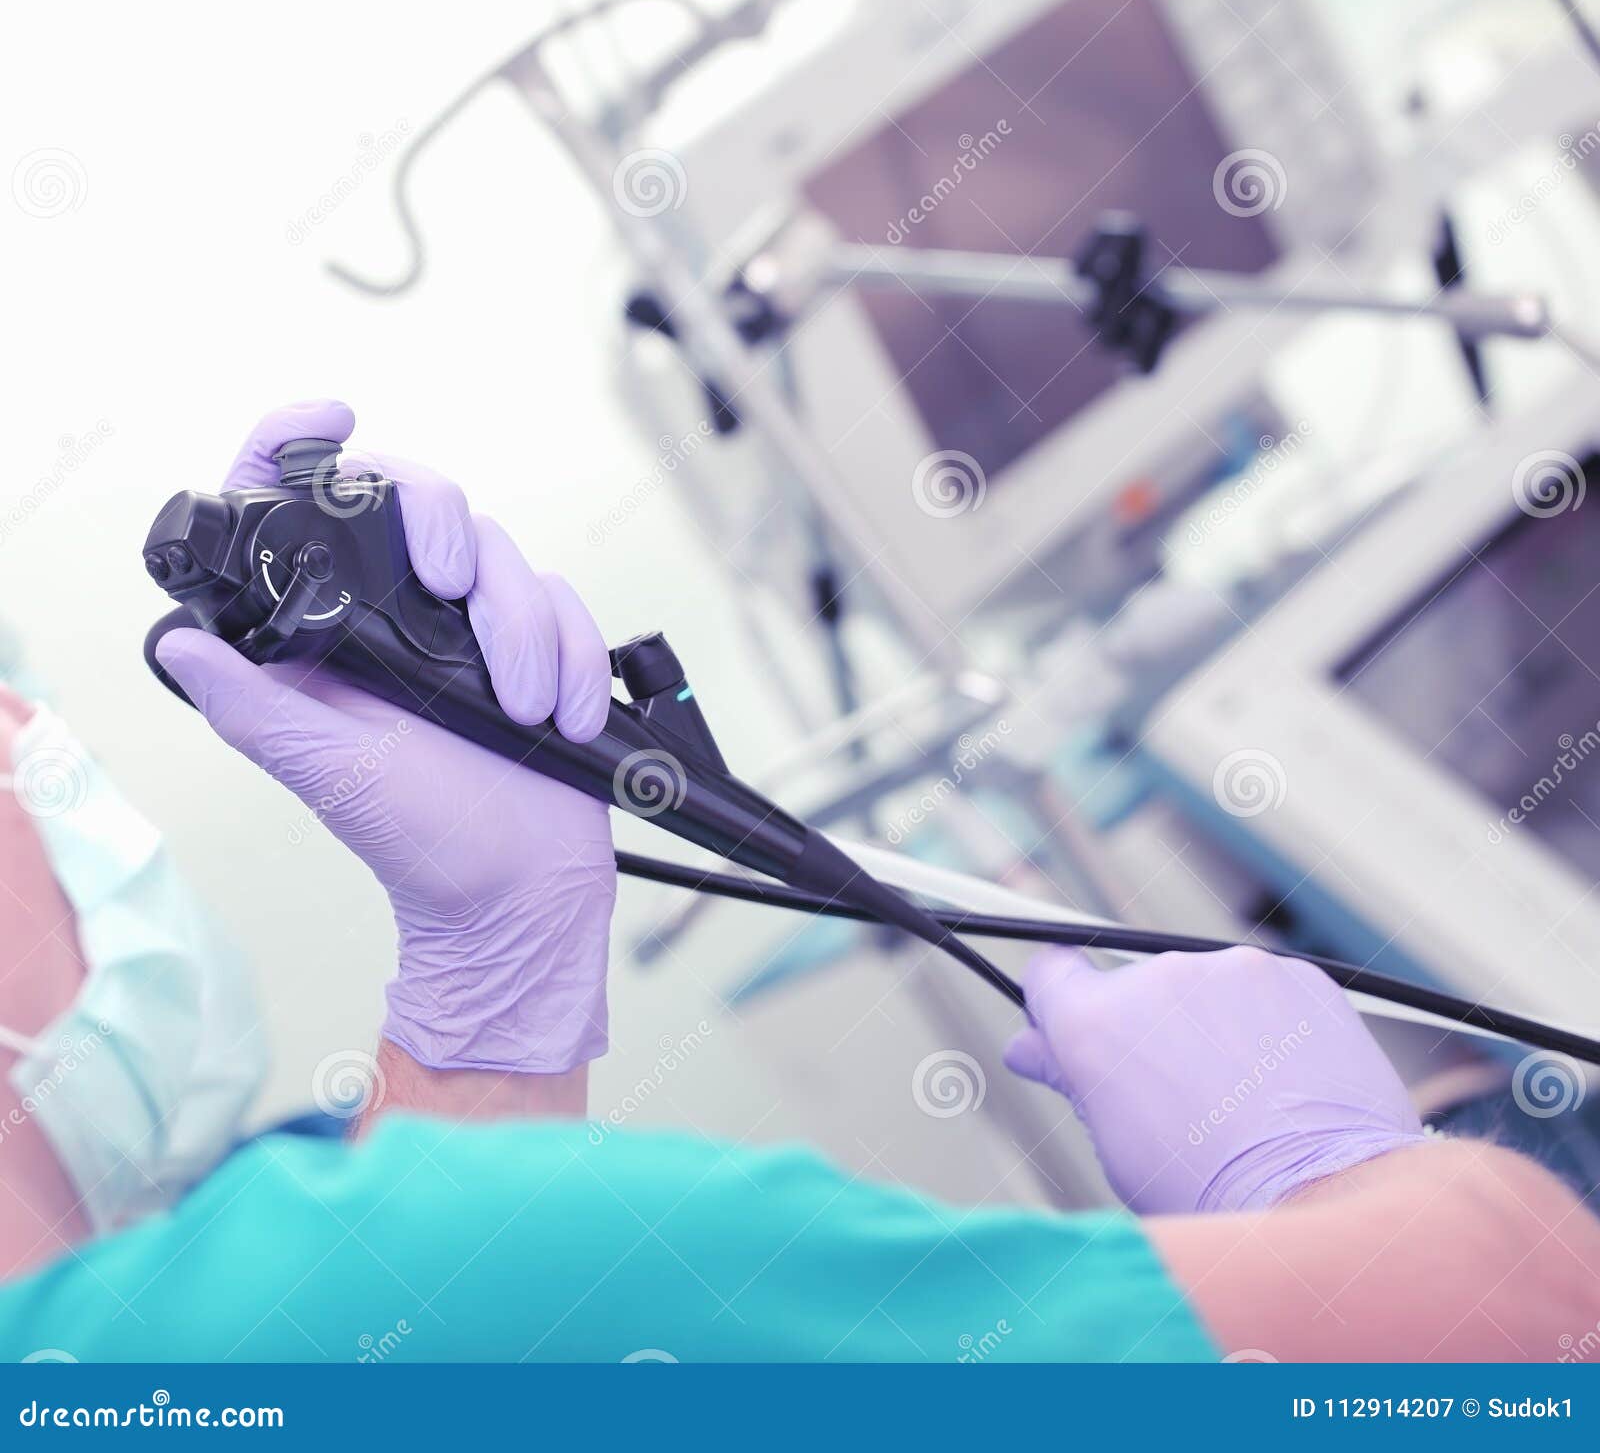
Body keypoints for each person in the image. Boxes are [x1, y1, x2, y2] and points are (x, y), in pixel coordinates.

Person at [0, 402, 1596, 1364]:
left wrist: (496, 972)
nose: (58, 783)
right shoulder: (341, 1281)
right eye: (24, 750)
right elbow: (1514, 1330)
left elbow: (439, 1354)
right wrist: (1314, 1165)